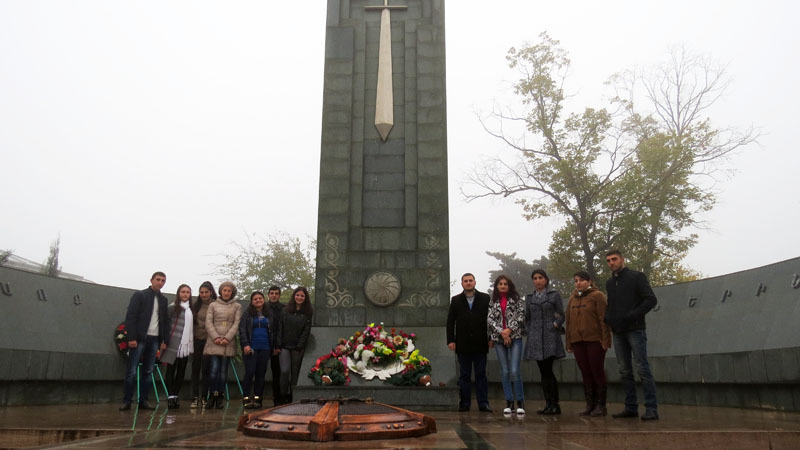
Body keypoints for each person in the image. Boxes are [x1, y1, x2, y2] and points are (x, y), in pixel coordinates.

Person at [604, 249, 659, 421]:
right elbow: (611, 304)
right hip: (618, 332)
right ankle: (630, 407)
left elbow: (651, 299)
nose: (611, 262)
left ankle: (651, 408)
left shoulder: (636, 277)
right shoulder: (610, 283)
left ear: (622, 259)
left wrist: (633, 315)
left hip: (635, 329)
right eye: (608, 260)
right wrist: (608, 318)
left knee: (642, 368)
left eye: (614, 259)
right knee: (624, 371)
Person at [119, 272, 169, 411]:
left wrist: (164, 340)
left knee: (148, 371)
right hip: (140, 339)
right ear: (151, 280)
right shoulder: (140, 295)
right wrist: (132, 338)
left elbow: (165, 322)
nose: (160, 282)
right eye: (158, 279)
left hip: (154, 339)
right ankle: (127, 400)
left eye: (163, 280)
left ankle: (144, 400)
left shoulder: (163, 300)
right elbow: (131, 317)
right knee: (132, 371)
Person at [565, 271, 611, 416]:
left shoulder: (597, 296)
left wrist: (605, 339)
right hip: (577, 341)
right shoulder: (572, 298)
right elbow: (569, 321)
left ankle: (601, 406)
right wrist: (569, 341)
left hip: (594, 340)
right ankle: (590, 405)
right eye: (575, 280)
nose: (578, 283)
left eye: (581, 280)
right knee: (585, 372)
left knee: (597, 371)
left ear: (589, 281)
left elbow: (604, 319)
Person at [446, 273, 492, 412]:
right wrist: (451, 340)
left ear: (475, 282)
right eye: (465, 281)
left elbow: (491, 321)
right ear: (462, 284)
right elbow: (450, 322)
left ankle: (483, 403)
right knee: (464, 376)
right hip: (463, 344)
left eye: (470, 280)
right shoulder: (456, 300)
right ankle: (465, 403)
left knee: (481, 375)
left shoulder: (485, 298)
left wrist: (491, 338)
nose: (468, 283)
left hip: (480, 343)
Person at [524, 269, 566, 415]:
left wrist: (555, 324)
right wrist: (530, 330)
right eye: (534, 278)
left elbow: (561, 314)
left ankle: (555, 404)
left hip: (550, 337)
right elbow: (527, 317)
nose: (537, 280)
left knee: (548, 371)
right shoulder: (529, 298)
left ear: (546, 280)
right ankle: (548, 404)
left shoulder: (553, 295)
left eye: (540, 277)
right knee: (543, 372)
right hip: (535, 338)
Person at [487, 275, 526, 415]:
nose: (503, 286)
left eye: (505, 284)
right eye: (500, 284)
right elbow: (490, 319)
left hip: (515, 337)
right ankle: (509, 402)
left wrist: (509, 330)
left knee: (515, 370)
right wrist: (502, 333)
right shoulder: (493, 300)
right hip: (499, 339)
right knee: (504, 371)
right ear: (496, 286)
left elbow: (521, 315)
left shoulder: (516, 299)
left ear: (510, 286)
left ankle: (520, 401)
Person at [203, 281, 242, 409]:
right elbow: (208, 322)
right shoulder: (213, 305)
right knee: (213, 371)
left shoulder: (237, 306)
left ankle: (220, 396)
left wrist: (227, 338)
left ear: (232, 292)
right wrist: (216, 337)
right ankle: (211, 396)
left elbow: (236, 324)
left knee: (223, 372)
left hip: (227, 343)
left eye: (229, 290)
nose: (226, 292)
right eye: (224, 290)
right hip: (214, 342)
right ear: (220, 291)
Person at [239, 291, 280, 409]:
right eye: (255, 299)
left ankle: (258, 398)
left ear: (263, 299)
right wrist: (245, 344)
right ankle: (246, 397)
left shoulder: (269, 314)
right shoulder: (247, 314)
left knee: (261, 374)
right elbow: (242, 330)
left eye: (260, 298)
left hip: (265, 347)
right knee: (249, 372)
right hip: (251, 348)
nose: (258, 300)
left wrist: (274, 346)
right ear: (252, 301)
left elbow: (274, 331)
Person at [160, 284, 194, 409]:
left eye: (187, 292)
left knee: (181, 371)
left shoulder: (191, 310)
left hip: (185, 345)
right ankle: (170, 396)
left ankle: (176, 395)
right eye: (183, 292)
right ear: (178, 293)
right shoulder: (172, 307)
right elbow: (165, 324)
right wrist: (164, 340)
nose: (185, 294)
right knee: (170, 370)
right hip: (172, 343)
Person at [278, 286, 312, 405]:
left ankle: (293, 397)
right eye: (297, 295)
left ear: (305, 298)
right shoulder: (285, 310)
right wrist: (279, 344)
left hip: (298, 347)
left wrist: (300, 345)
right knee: (285, 371)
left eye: (302, 296)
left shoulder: (308, 313)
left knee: (295, 373)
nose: (299, 297)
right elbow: (280, 328)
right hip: (285, 346)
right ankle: (283, 396)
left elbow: (306, 331)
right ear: (294, 296)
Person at [190, 281, 215, 408]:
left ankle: (205, 396)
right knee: (195, 368)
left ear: (211, 292)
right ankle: (195, 396)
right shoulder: (195, 305)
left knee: (206, 369)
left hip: (210, 341)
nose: (204, 294)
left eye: (206, 292)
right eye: (201, 292)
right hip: (197, 340)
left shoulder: (216, 305)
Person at [265, 286, 284, 406]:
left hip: (277, 344)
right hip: (265, 343)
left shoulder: (283, 309)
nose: (274, 295)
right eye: (271, 293)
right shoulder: (263, 307)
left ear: (279, 296)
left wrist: (278, 345)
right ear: (268, 295)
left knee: (277, 372)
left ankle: (277, 397)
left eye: (276, 293)